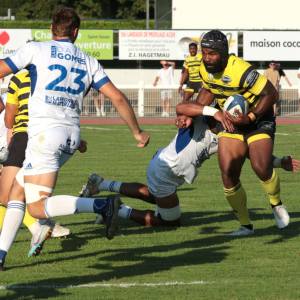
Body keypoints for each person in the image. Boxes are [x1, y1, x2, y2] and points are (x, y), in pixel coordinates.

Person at [0, 7, 149, 271]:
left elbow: (2, 69)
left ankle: (102, 206)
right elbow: (117, 97)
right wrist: (137, 132)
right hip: (71, 137)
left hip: (44, 136)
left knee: (36, 209)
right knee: (17, 191)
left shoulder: (36, 48)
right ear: (76, 32)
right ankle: (0, 256)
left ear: (51, 29)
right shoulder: (89, 61)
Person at [79, 101, 299, 228]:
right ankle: (116, 210)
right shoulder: (198, 120)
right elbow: (182, 106)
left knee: (153, 196)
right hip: (165, 171)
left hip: (163, 167)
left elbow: (253, 156)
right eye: (231, 116)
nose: (233, 121)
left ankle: (102, 183)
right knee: (168, 222)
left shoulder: (228, 136)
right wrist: (210, 112)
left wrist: (279, 162)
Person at [196, 30, 286, 236]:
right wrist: (194, 112)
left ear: (224, 53)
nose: (207, 58)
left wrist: (251, 117)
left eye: (212, 54)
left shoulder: (242, 70)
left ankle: (276, 204)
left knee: (260, 166)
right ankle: (245, 226)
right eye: (204, 53)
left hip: (258, 118)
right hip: (231, 120)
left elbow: (271, 94)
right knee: (228, 172)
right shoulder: (204, 67)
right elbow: (209, 88)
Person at [0, 71, 72, 251]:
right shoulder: (29, 88)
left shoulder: (13, 92)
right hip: (25, 144)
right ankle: (40, 226)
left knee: (10, 196)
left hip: (17, 145)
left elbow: (11, 123)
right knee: (9, 196)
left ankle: (40, 227)